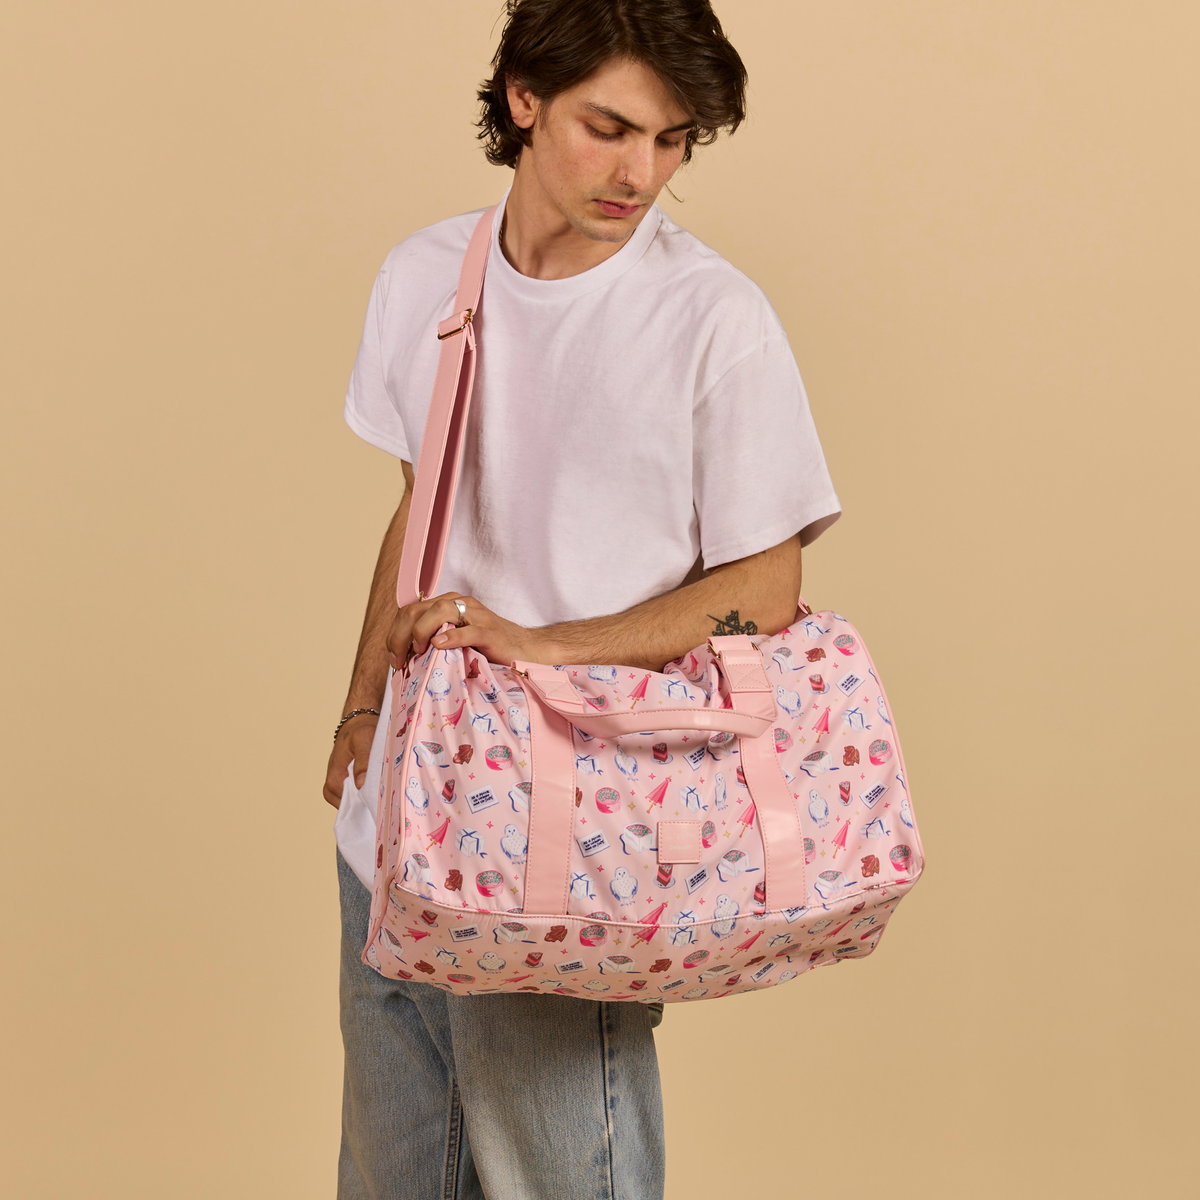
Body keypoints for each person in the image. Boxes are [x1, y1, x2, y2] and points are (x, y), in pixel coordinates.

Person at [324, 2, 840, 1196]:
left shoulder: (714, 321)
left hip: (571, 833)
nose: (640, 171)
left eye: (671, 141)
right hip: (403, 815)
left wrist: (540, 646)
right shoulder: (423, 280)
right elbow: (423, 512)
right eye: (610, 128)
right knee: (393, 1176)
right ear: (522, 99)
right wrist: (360, 713)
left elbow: (767, 587)